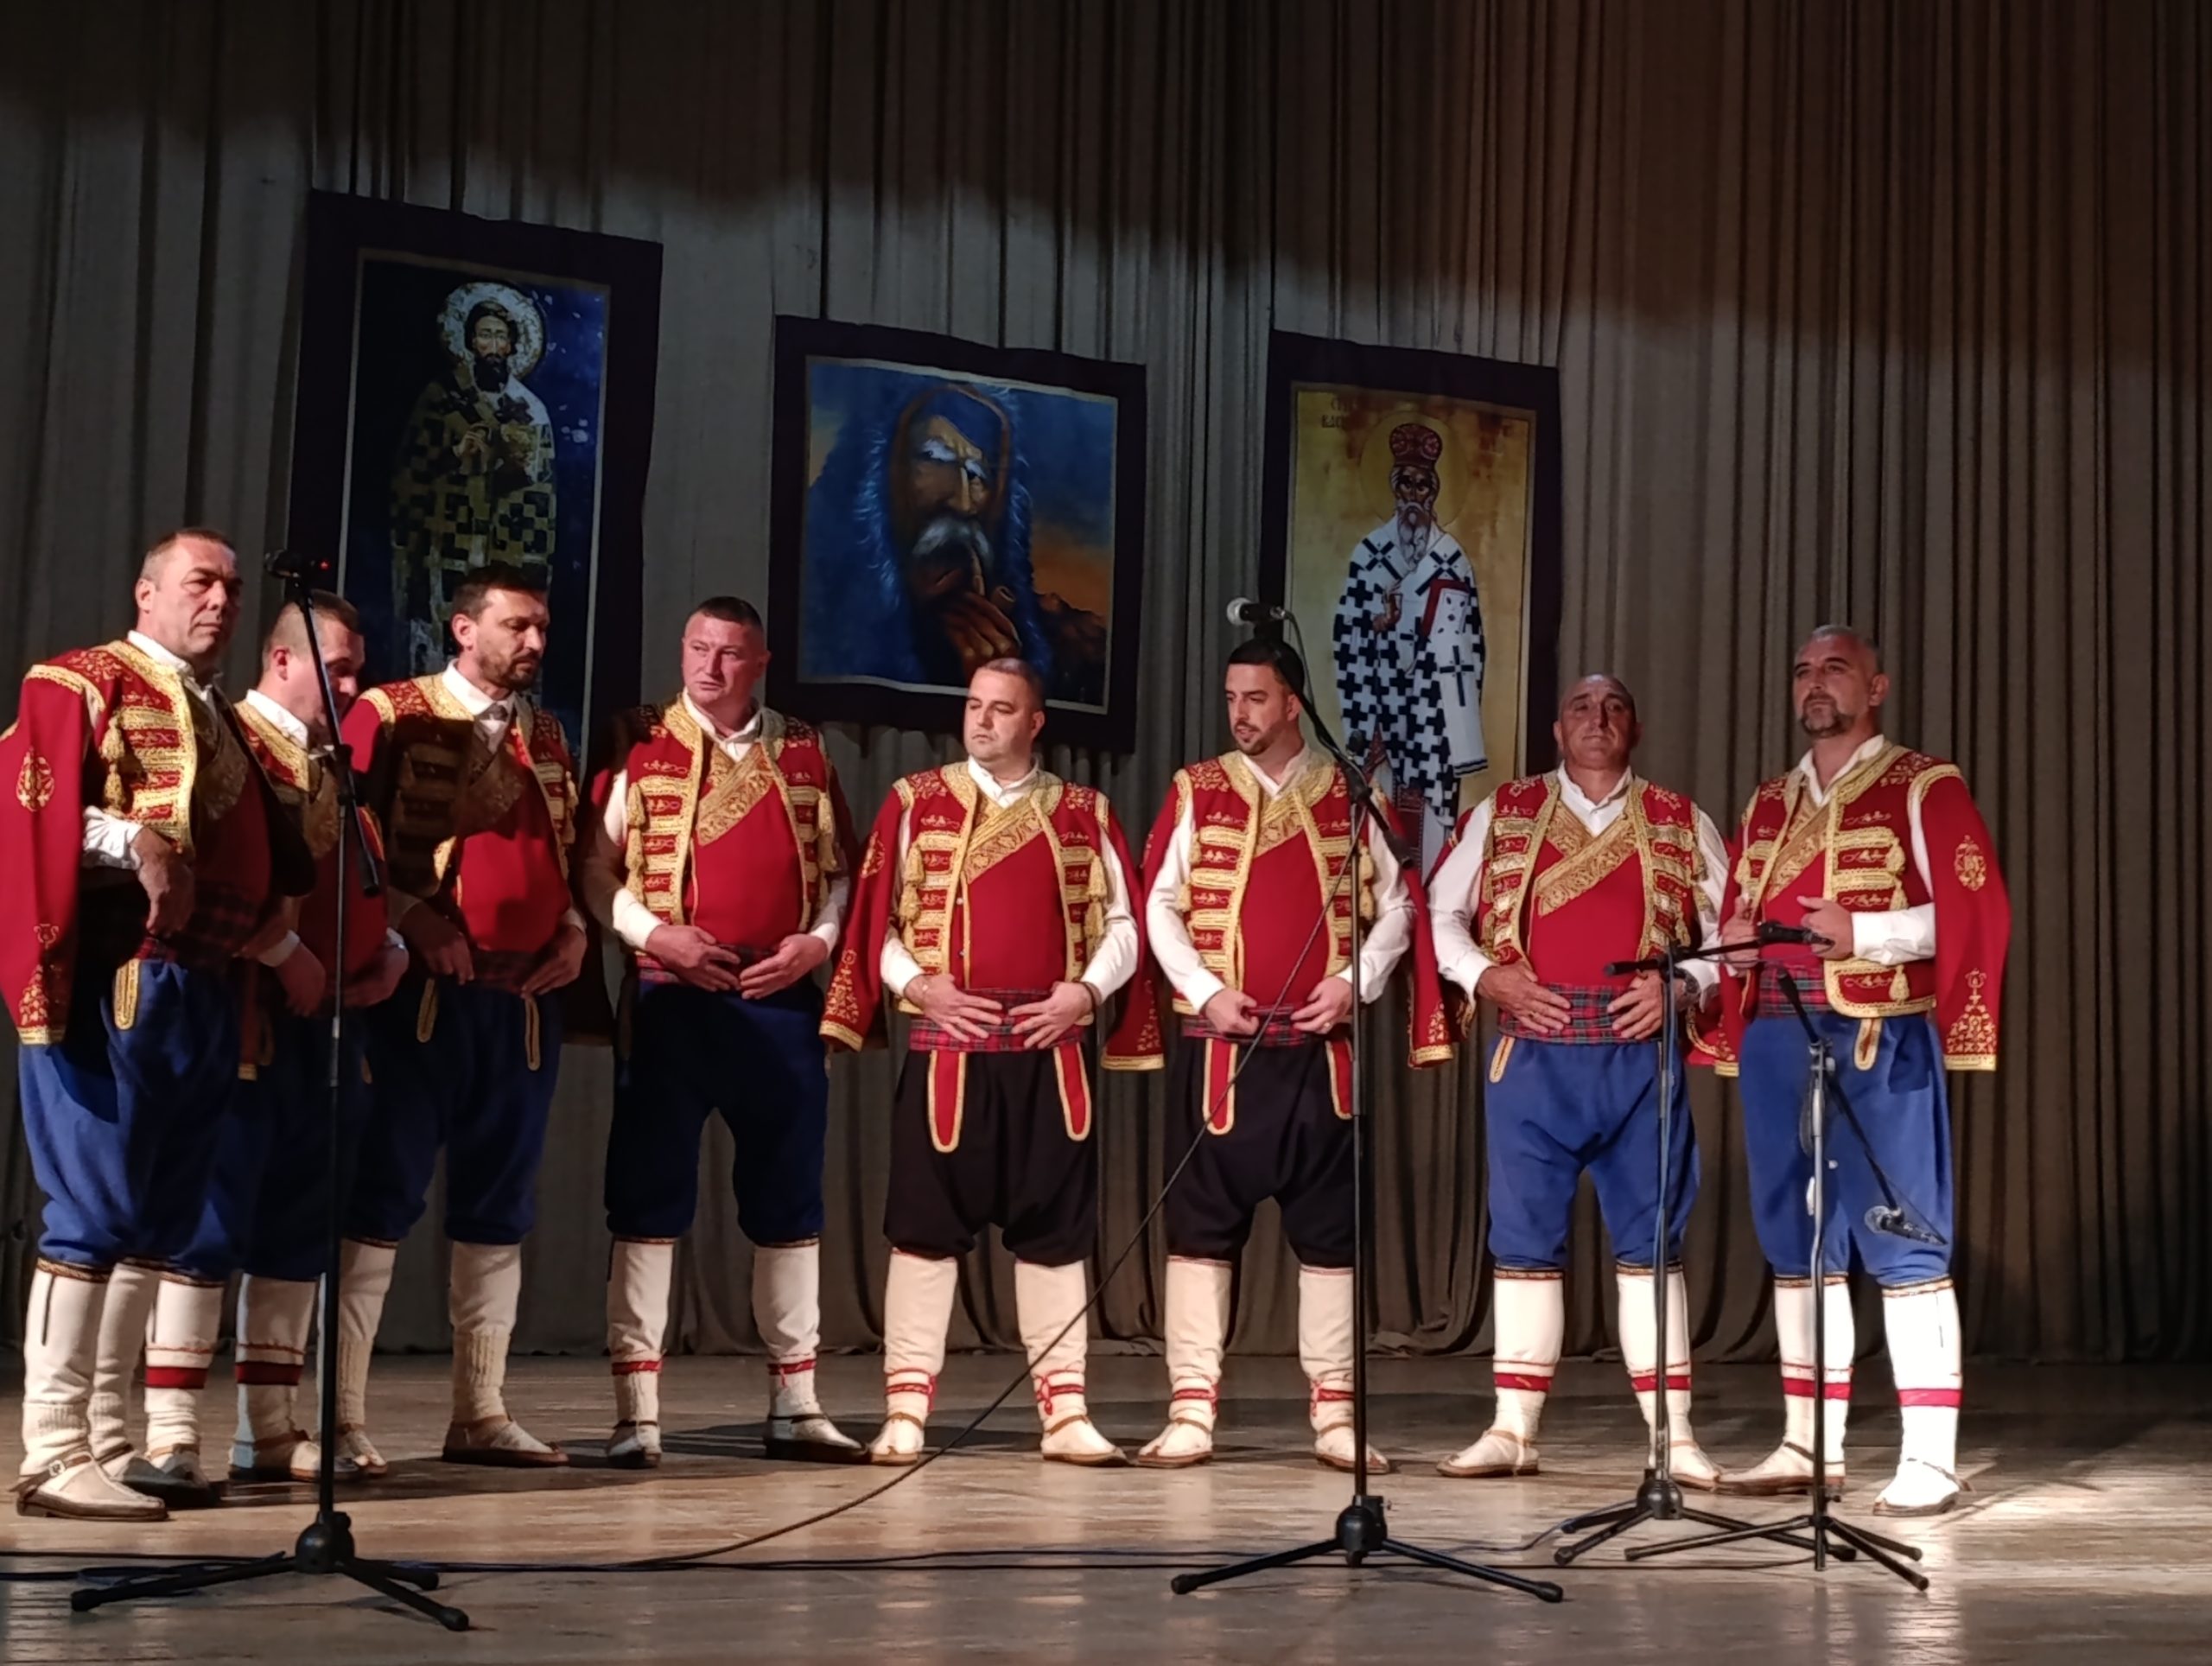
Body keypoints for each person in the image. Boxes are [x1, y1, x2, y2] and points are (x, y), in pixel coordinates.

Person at [1, 528, 313, 1520]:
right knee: (93, 1207)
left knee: (158, 1215)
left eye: (231, 587)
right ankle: (53, 1448)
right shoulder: (83, 680)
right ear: (146, 592)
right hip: (119, 978)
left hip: (204, 985)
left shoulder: (219, 713)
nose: (219, 600)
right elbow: (30, 804)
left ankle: (111, 1437)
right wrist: (132, 836)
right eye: (199, 582)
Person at [821, 659, 1158, 1466]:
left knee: (1055, 1234)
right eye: (974, 705)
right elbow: (876, 923)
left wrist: (1085, 993)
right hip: (949, 1055)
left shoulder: (1083, 812)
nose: (981, 720)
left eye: (1001, 709)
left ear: (1034, 722)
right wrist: (921, 988)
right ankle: (906, 1411)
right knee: (923, 1232)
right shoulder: (915, 801)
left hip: (1048, 1054)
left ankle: (1065, 1413)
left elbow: (1125, 923)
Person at [1131, 639, 1450, 1476]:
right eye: (1231, 697)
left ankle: (1335, 1413)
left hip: (1319, 1055)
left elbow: (1398, 905)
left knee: (1330, 1236)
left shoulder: (1350, 791)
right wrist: (1204, 990)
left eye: (1256, 697)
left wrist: (1353, 981)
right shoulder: (1197, 788)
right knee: (1199, 1232)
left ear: (1293, 704)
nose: (1239, 713)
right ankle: (1191, 1408)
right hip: (1220, 1052)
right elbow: (1158, 902)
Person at [1713, 626, 2010, 1517]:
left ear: (1874, 687)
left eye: (1835, 668)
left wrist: (1865, 932)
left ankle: (1929, 1456)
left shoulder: (1923, 783)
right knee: (1795, 1237)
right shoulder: (1769, 801)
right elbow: (1736, 907)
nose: (1815, 683)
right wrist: (1732, 945)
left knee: (1902, 1229)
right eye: (1803, 670)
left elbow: (1973, 908)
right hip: (1776, 1031)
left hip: (1876, 1034)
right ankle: (1810, 1441)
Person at [127, 596, 411, 1489]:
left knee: (300, 1224)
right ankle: (172, 1432)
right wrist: (284, 951)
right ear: (284, 661)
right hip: (245, 1019)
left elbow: (366, 880)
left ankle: (271, 1429)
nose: (354, 687)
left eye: (359, 668)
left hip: (328, 1032)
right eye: (340, 669)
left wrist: (391, 950)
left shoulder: (333, 769)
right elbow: (212, 872)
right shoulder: (233, 744)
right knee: (210, 1222)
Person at [579, 596, 864, 1467]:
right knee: (647, 1198)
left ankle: (796, 1402)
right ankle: (636, 1412)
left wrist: (816, 944)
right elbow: (595, 866)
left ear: (760, 662)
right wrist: (654, 936)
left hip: (778, 1001)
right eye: (697, 647)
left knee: (790, 1202)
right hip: (672, 996)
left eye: (730, 653)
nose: (709, 666)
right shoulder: (639, 743)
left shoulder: (805, 749)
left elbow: (843, 873)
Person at [1428, 674, 1729, 1485]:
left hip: (1637, 1059)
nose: (1598, 720)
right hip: (1533, 1058)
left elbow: (1728, 931)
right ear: (1558, 731)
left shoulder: (1680, 818)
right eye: (1581, 709)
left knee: (1652, 1245)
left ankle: (1674, 1435)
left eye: (1614, 707)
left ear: (1637, 728)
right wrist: (1485, 976)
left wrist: (1683, 986)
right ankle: (1513, 1429)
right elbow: (1441, 912)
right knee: (1523, 1243)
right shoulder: (1504, 812)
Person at [334, 562, 588, 1474]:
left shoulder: (546, 733)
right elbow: (343, 838)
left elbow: (562, 850)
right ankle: (340, 1415)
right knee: (382, 1193)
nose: (534, 642)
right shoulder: (393, 712)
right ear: (463, 628)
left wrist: (574, 928)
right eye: (517, 625)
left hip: (520, 1005)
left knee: (499, 1206)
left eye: (542, 627)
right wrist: (411, 916)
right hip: (423, 999)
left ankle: (480, 1412)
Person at [1332, 420, 1488, 869]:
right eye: (1407, 484)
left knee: (1429, 836)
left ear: (1433, 492)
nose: (1414, 495)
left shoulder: (1451, 558)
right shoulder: (1370, 554)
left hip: (1431, 719)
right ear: (1394, 489)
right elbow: (1346, 634)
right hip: (1381, 712)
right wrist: (1378, 623)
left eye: (1423, 485)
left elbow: (1471, 643)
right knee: (1378, 839)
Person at [388, 283, 557, 675]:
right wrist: (455, 454)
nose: (493, 346)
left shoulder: (531, 410)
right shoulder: (441, 399)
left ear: (512, 346)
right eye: (485, 335)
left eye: (500, 336)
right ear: (469, 342)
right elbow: (411, 475)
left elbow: (541, 494)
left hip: (505, 548)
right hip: (449, 543)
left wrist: (512, 465)